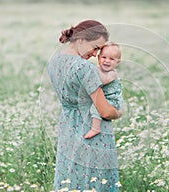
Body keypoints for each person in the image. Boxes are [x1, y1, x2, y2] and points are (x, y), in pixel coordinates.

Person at [47, 20, 121, 191]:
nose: (96, 54)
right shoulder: (85, 68)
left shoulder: (55, 62)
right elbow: (105, 111)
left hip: (67, 128)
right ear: (80, 40)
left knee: (70, 178)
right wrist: (118, 112)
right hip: (92, 131)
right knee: (95, 181)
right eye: (95, 48)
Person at [84, 42, 123, 139]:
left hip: (112, 100)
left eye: (111, 59)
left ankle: (96, 128)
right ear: (98, 58)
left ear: (118, 62)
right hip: (105, 98)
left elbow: (100, 81)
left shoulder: (111, 73)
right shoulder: (97, 69)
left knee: (95, 107)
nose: (107, 61)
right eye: (104, 57)